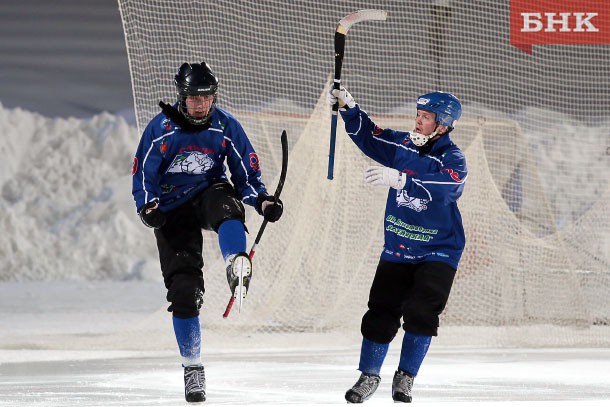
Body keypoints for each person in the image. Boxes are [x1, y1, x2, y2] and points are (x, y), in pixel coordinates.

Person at [132, 61, 283, 403]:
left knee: (227, 204)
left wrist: (262, 202)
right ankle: (193, 367)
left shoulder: (226, 125)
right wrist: (149, 208)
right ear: (181, 97)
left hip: (208, 192)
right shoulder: (161, 130)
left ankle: (235, 261)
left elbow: (245, 173)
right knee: (184, 291)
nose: (200, 104)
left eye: (207, 97)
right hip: (172, 208)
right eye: (193, 98)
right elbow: (144, 175)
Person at [327, 86, 467, 403]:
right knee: (380, 311)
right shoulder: (402, 144)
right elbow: (371, 137)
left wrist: (403, 181)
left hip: (439, 249)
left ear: (443, 124)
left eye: (426, 118)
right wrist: (349, 108)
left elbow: (448, 188)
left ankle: (405, 377)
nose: (418, 122)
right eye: (418, 115)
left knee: (421, 311)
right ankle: (368, 376)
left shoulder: (452, 158)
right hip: (399, 246)